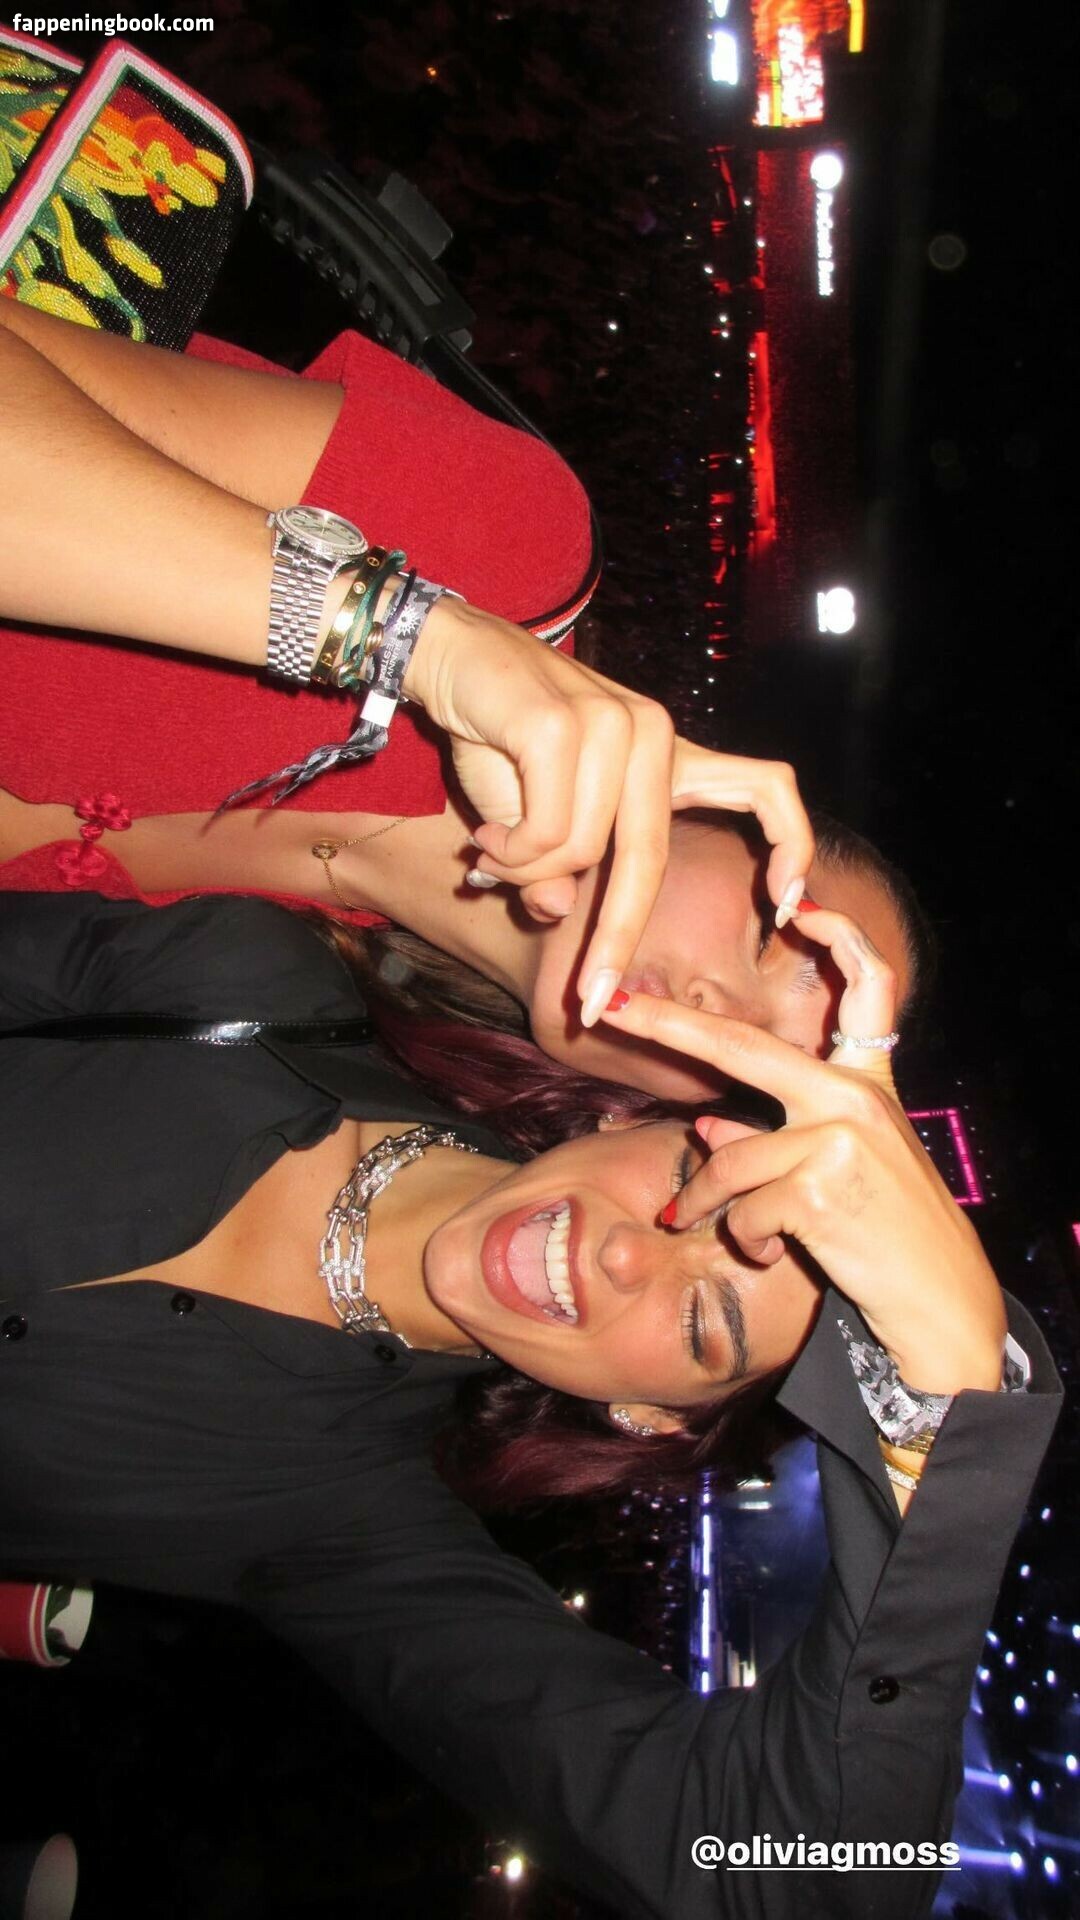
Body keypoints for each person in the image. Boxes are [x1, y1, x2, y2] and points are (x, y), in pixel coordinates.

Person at [0, 886, 1060, 1918]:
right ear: (621, 1117)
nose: (628, 1255)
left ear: (650, 1415)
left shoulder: (346, 1530)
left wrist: (947, 1410)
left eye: (702, 1326)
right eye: (688, 1189)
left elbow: (793, 1878)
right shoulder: (252, 988)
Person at [0, 303, 924, 1103]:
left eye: (766, 1062)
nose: (722, 1014)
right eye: (771, 939)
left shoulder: (283, 994)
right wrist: (414, 638)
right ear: (711, 811)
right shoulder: (509, 556)